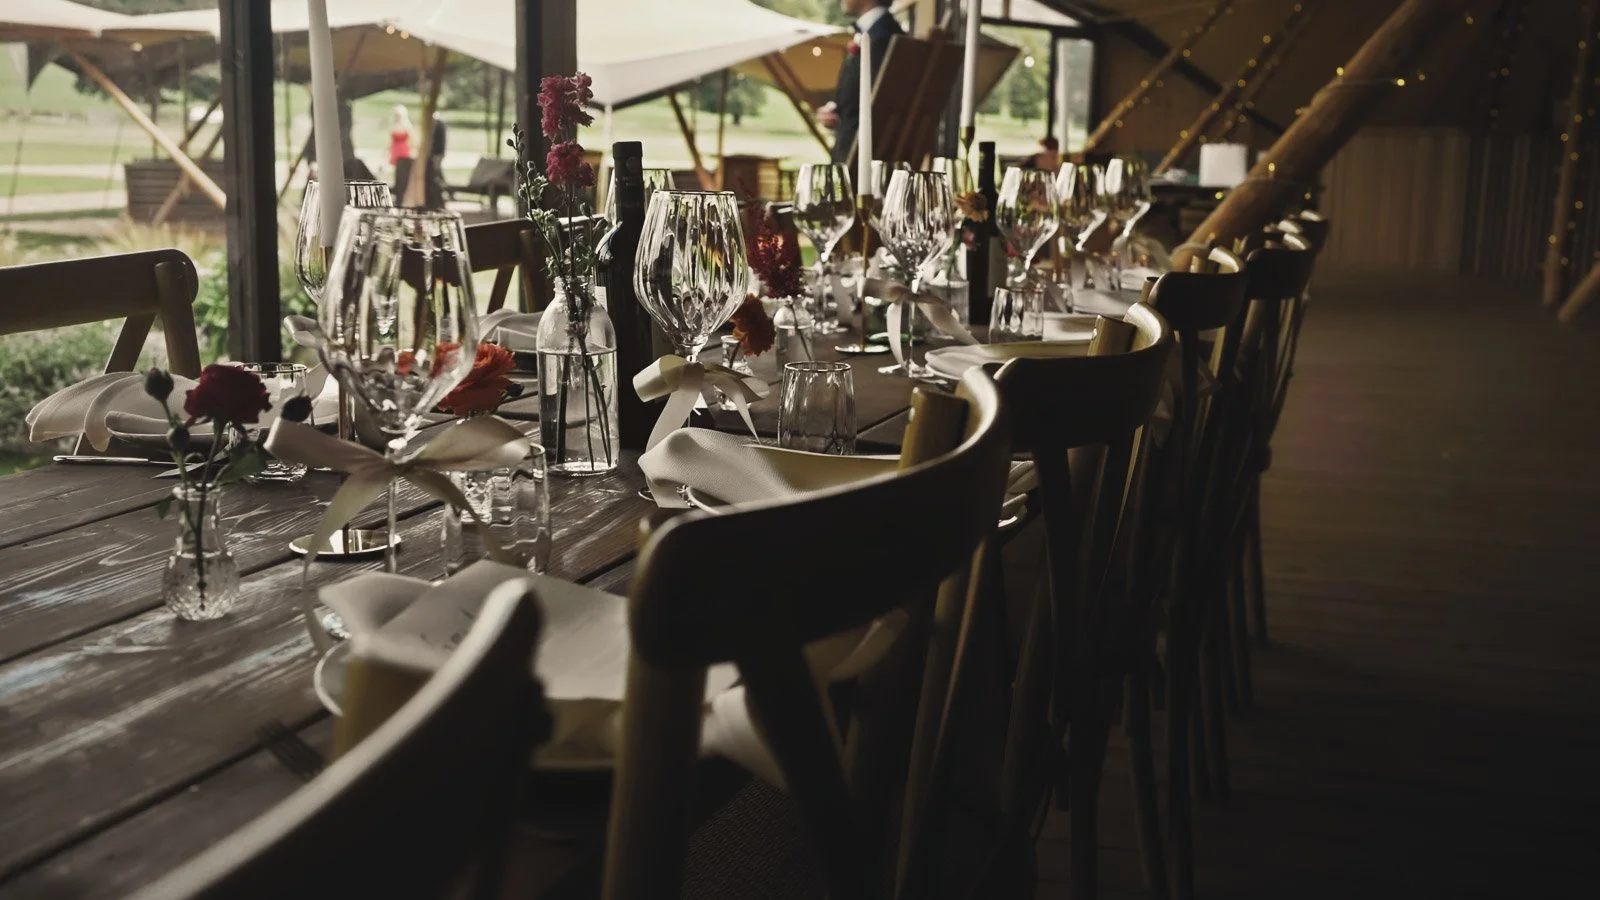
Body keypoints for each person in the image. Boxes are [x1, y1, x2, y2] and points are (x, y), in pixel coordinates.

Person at [816, 0, 903, 165]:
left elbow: (882, 104)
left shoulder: (884, 39)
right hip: (853, 157)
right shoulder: (877, 32)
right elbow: (862, 94)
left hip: (864, 163)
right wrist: (836, 108)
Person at [388, 105, 414, 169]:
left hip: (404, 149)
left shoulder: (407, 126)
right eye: (396, 115)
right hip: (395, 149)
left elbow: (412, 139)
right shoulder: (393, 126)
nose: (397, 117)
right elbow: (391, 140)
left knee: (404, 167)